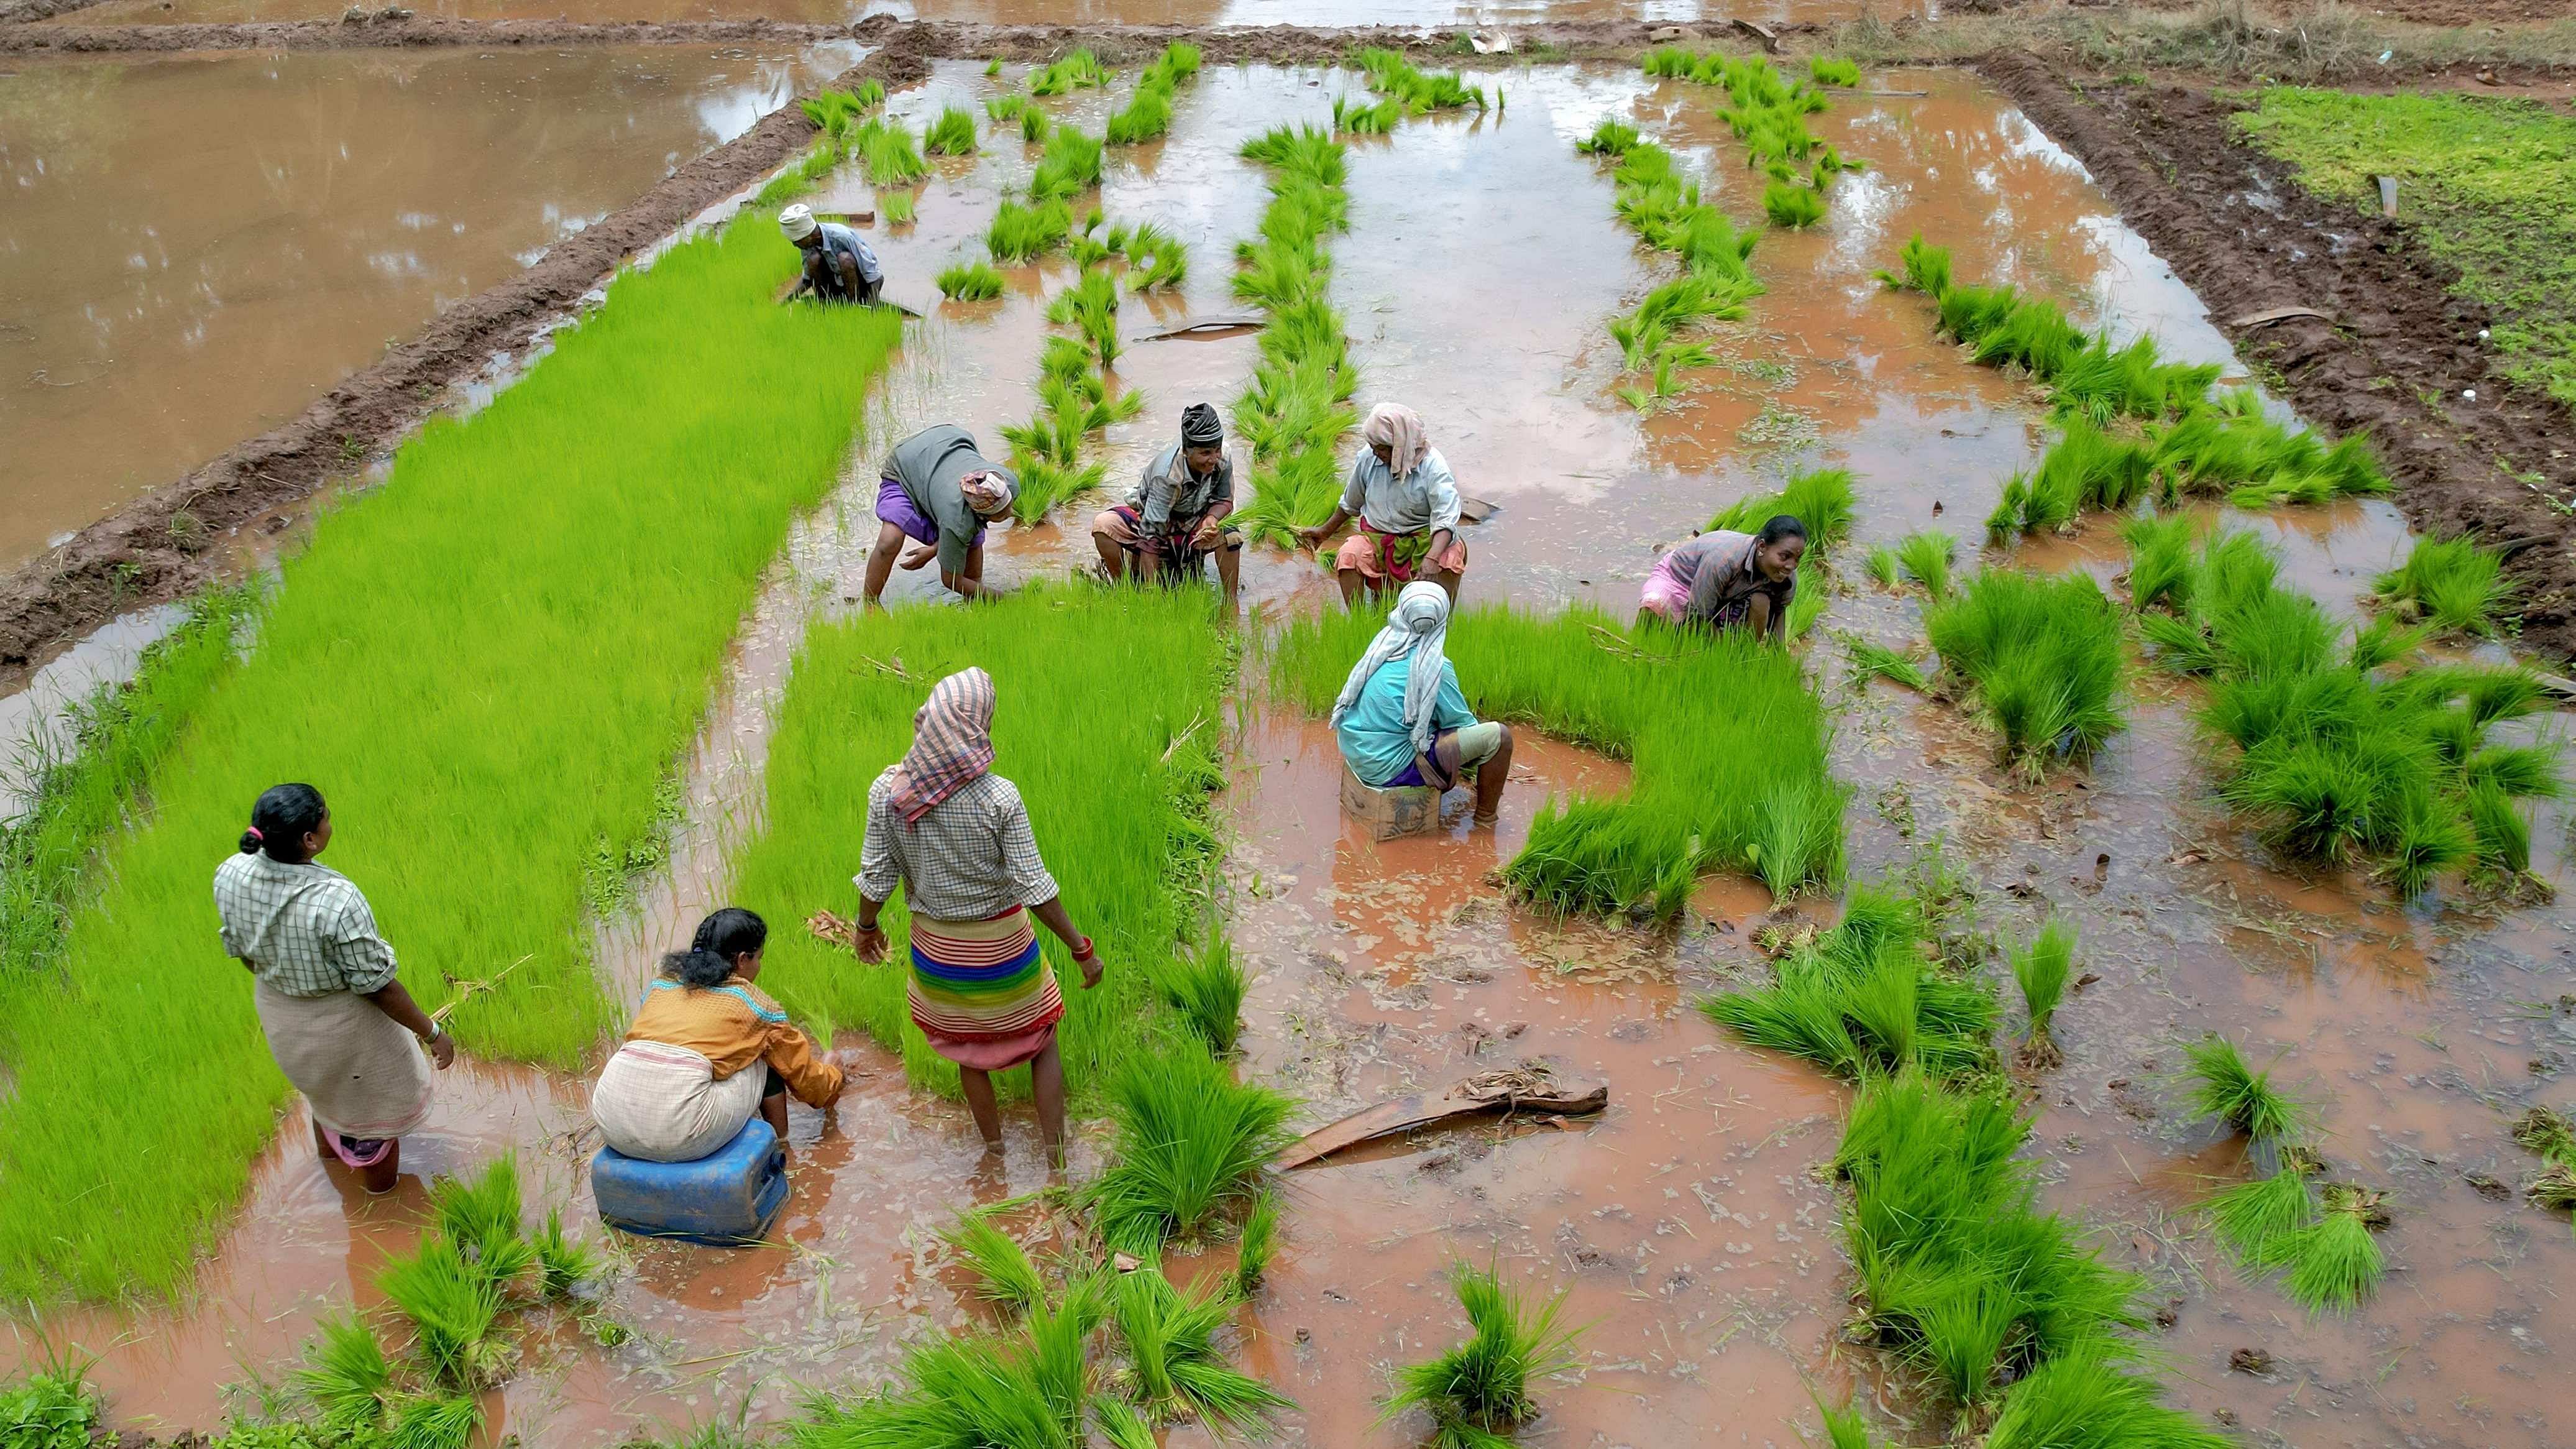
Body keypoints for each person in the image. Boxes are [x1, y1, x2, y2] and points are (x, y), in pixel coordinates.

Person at [850, 668, 1101, 1165]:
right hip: (1003, 949)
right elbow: (1035, 887)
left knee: (968, 1049)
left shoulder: (888, 792)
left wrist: (865, 928)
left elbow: (875, 877)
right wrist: (1081, 948)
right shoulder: (997, 797)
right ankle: (1055, 1164)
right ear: (976, 726)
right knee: (1044, 1038)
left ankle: (993, 1154)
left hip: (938, 955)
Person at [214, 783, 454, 1195]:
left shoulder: (231, 872)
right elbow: (378, 986)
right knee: (372, 1120)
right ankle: (380, 1204)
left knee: (324, 1094)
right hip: (341, 1030)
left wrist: (287, 973)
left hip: (280, 1016)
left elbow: (245, 954)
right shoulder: (336, 900)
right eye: (325, 815)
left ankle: (333, 1171)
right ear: (310, 839)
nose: (330, 819)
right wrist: (432, 1032)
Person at [592, 908, 846, 1162]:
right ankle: (780, 1147)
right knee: (763, 1051)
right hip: (681, 1135)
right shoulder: (754, 1006)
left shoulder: (661, 985)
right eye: (759, 958)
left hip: (609, 1118)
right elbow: (812, 1087)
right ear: (743, 960)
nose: (759, 966)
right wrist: (833, 1071)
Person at [1331, 582, 1515, 826]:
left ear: (1401, 613)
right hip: (1390, 770)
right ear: (1441, 620)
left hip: (1359, 755)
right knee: (1499, 738)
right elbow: (1462, 725)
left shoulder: (1382, 649)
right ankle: (1486, 819)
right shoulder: (1436, 668)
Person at [1296, 402, 1467, 607]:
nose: (1376, 452)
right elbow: (1351, 502)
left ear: (1400, 445)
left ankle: (1440, 621)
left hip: (1423, 541)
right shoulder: (1368, 459)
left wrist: (1432, 557)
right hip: (1379, 538)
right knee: (1349, 555)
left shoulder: (1433, 467)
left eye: (1382, 448)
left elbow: (1445, 519)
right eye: (1373, 446)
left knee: (1450, 558)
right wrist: (1325, 532)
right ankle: (1360, 622)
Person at [1089, 402, 1244, 607]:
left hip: (1194, 521)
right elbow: (1150, 536)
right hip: (1153, 521)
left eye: (1216, 450)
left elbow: (1225, 500)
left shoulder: (1223, 457)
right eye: (1205, 453)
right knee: (1103, 525)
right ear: (1187, 451)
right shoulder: (1168, 476)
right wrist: (1153, 596)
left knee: (1231, 534)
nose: (1213, 459)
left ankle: (1231, 602)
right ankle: (1122, 589)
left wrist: (1211, 518)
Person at [866, 425, 1019, 605]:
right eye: (1001, 515)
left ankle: (976, 601)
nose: (1010, 514)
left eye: (1008, 506)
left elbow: (962, 530)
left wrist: (933, 550)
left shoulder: (1007, 483)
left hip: (949, 443)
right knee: (890, 539)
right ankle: (870, 603)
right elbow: (951, 580)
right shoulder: (957, 517)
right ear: (980, 512)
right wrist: (1010, 601)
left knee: (971, 540)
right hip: (906, 466)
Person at [1637, 515, 1807, 642]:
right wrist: (1722, 650)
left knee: (1761, 602)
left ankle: (1744, 654)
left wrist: (1780, 661)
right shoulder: (1724, 560)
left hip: (1726, 591)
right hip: (1680, 580)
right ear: (1762, 547)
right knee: (1655, 605)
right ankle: (1642, 646)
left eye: (1797, 559)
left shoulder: (1787, 575)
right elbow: (1699, 615)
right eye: (1785, 556)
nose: (1791, 566)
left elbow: (1777, 614)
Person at [779, 202, 883, 306]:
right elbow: (808, 279)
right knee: (813, 259)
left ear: (811, 236)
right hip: (835, 288)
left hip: (860, 288)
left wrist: (873, 308)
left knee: (845, 259)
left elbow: (874, 276)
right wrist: (784, 303)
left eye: (797, 241)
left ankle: (853, 305)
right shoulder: (808, 245)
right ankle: (824, 303)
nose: (795, 245)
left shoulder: (842, 237)